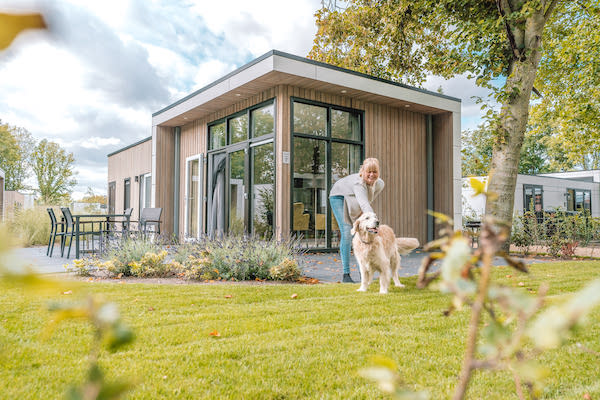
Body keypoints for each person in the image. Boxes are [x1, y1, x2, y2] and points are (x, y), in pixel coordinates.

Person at [329, 157, 384, 283]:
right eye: (368, 171)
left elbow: (368, 200)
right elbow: (365, 204)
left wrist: (366, 219)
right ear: (362, 171)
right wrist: (374, 223)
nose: (371, 175)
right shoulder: (358, 183)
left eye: (374, 171)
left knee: (362, 233)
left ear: (378, 172)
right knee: (348, 232)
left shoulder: (380, 184)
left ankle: (363, 272)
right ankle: (346, 274)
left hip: (356, 199)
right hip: (339, 196)